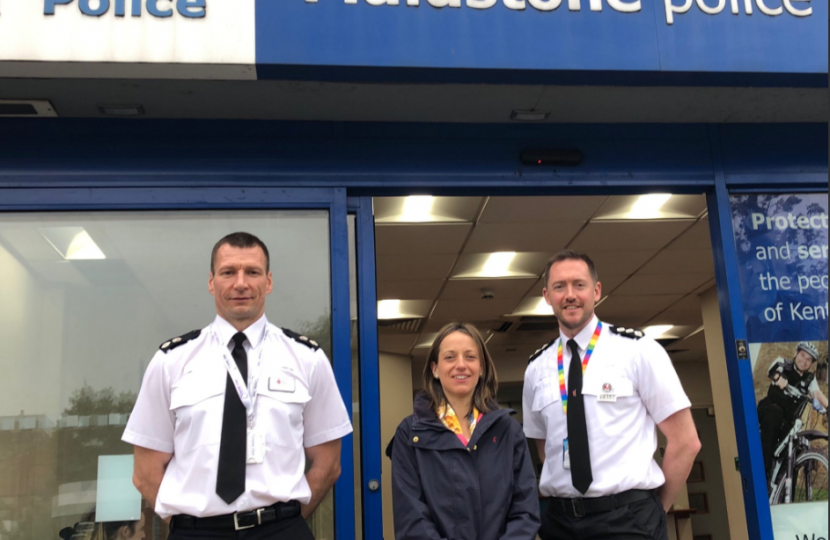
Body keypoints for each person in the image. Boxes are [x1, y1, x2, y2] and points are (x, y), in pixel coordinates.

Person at [122, 232, 352, 539]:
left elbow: (329, 464)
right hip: (197, 533)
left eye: (252, 272)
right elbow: (145, 473)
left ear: (268, 282)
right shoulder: (171, 361)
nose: (240, 283)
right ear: (211, 282)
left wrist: (282, 522)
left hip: (281, 529)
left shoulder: (306, 358)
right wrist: (191, 526)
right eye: (228, 272)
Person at [522, 250, 701, 540]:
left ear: (596, 291)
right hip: (559, 523)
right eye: (559, 286)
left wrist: (657, 509)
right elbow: (546, 449)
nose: (570, 295)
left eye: (579, 285)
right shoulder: (536, 368)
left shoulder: (637, 350)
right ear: (546, 295)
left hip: (627, 521)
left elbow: (686, 441)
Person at [387, 322, 540, 540]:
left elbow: (525, 511)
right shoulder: (409, 433)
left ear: (482, 368)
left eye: (470, 357)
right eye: (450, 357)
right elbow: (411, 519)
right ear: (435, 369)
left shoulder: (508, 431)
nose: (461, 365)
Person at [757, 341, 828, 483]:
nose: (804, 361)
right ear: (796, 353)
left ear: (812, 363)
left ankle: (786, 488)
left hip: (788, 420)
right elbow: (771, 371)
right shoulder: (783, 363)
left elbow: (817, 394)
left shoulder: (809, 378)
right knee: (774, 414)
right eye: (802, 355)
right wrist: (778, 378)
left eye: (809, 359)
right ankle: (762, 473)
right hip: (770, 410)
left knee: (794, 448)